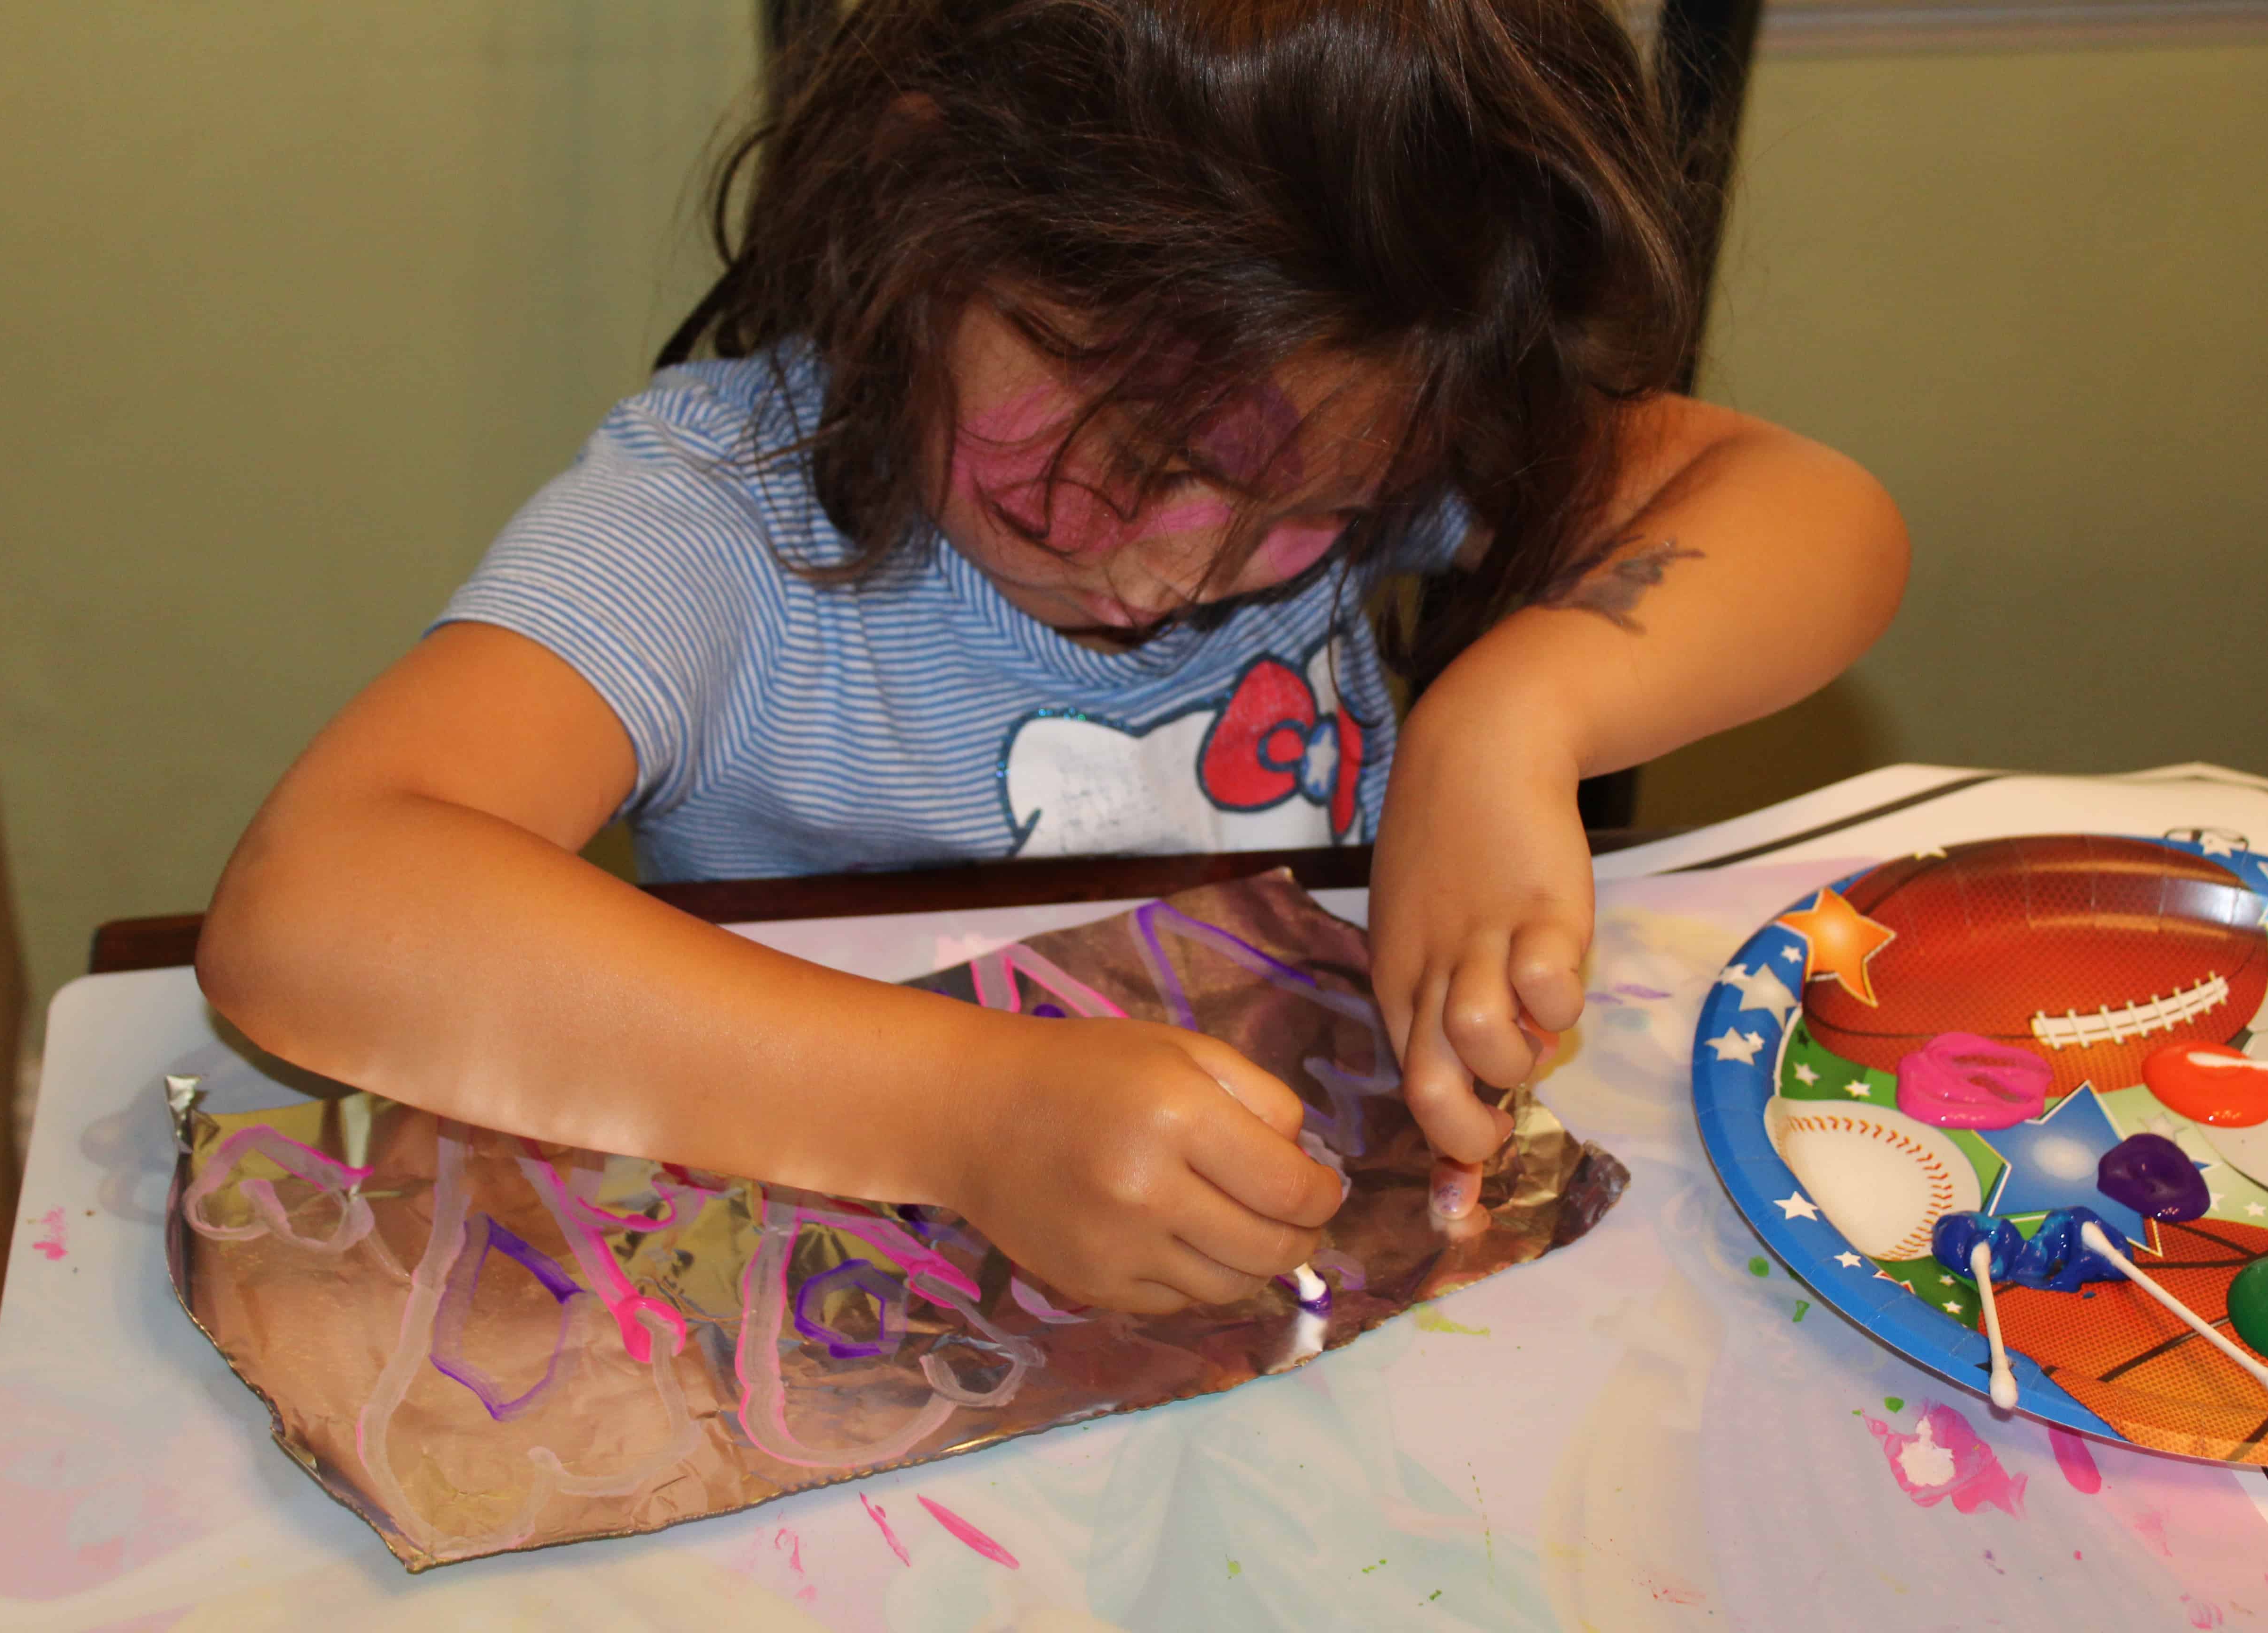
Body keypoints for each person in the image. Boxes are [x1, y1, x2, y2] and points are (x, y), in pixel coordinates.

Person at [196, 0, 1907, 1315]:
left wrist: (1515, 715)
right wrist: (965, 1117)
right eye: (1144, 452)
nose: (1178, 567)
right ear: (924, 217)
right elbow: (315, 907)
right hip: (831, 1306)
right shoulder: (717, 524)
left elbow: (1817, 511)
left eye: (1315, 501)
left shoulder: (1364, 378)